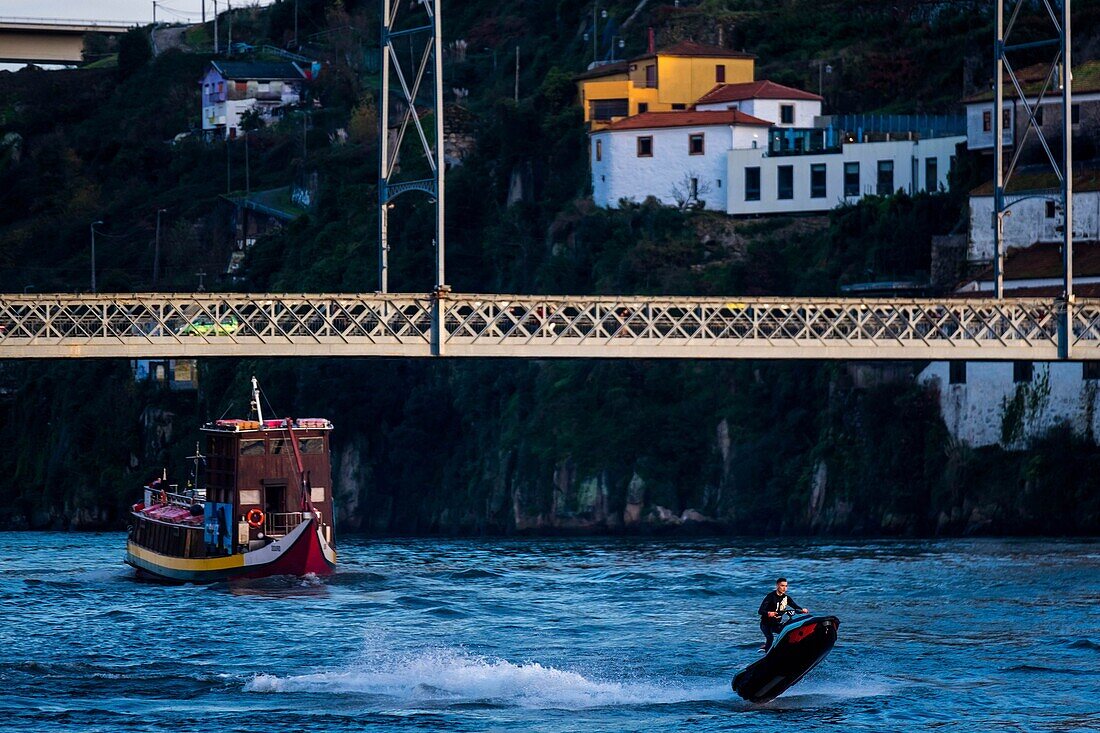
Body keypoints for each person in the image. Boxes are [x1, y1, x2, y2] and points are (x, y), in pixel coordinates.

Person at [758, 577, 808, 652]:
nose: (784, 588)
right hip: (766, 624)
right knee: (770, 638)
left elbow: (795, 606)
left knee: (787, 632)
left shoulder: (786, 598)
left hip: (776, 624)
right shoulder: (770, 597)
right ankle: (766, 652)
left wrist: (802, 610)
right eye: (782, 586)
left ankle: (788, 649)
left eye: (786, 586)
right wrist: (768, 613)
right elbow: (760, 611)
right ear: (777, 586)